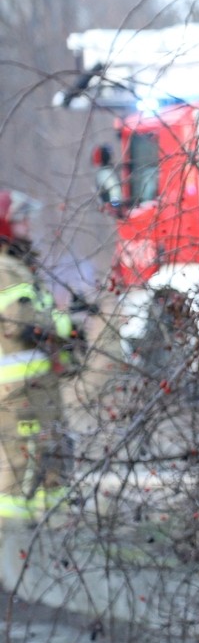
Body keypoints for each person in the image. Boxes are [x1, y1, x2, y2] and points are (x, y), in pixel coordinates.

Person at [0, 190, 74, 529]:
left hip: (38, 385)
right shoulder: (4, 268)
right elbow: (19, 320)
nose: (28, 224)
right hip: (17, 390)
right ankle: (11, 542)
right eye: (20, 219)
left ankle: (54, 532)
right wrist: (64, 325)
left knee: (53, 450)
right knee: (23, 458)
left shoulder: (20, 264)